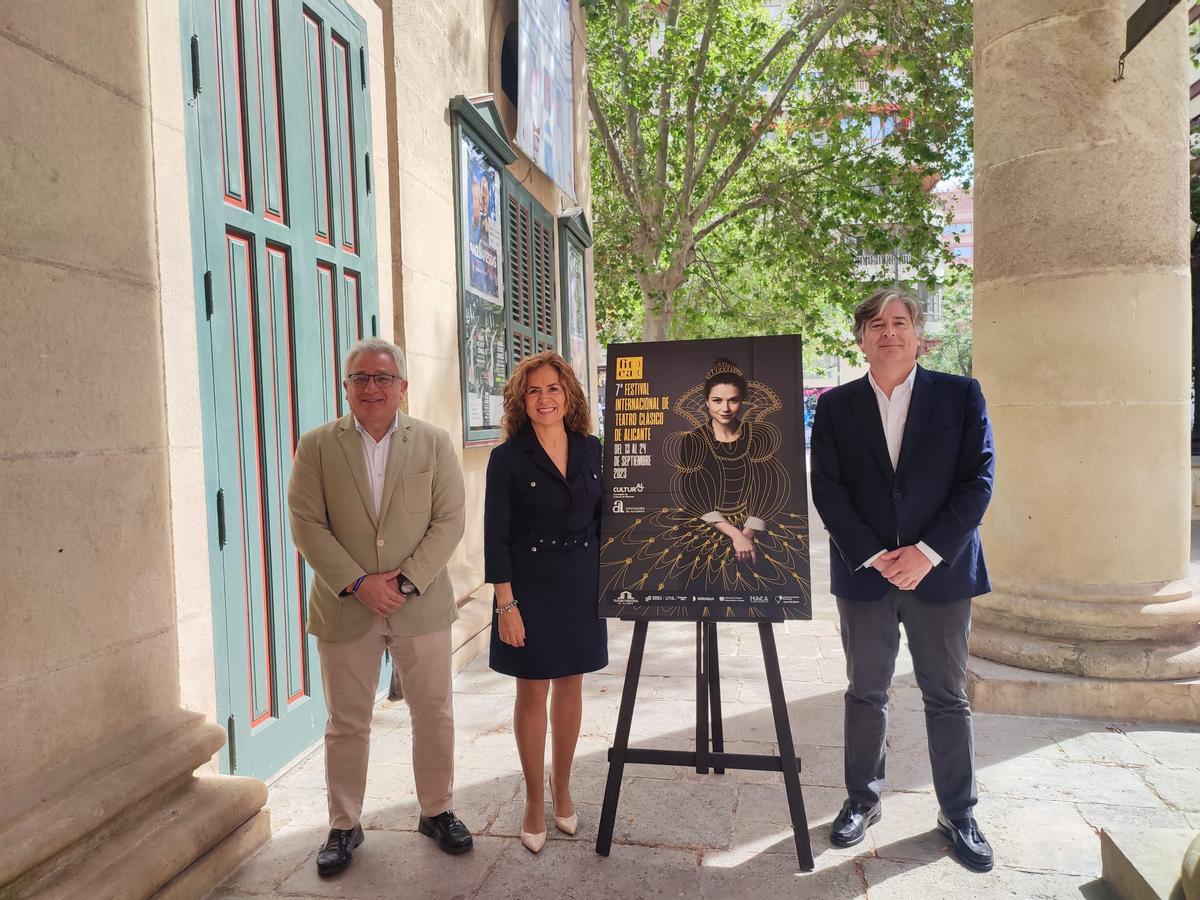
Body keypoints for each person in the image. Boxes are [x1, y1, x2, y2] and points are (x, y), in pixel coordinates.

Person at [809, 288, 996, 872]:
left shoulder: (961, 395)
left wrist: (927, 553)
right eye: (875, 323)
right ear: (861, 338)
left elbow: (978, 482)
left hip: (940, 575)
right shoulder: (837, 406)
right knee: (866, 692)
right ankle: (862, 801)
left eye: (899, 322)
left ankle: (959, 813)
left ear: (919, 334)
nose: (888, 332)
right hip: (865, 576)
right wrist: (872, 553)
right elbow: (828, 489)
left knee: (947, 695)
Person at [288, 337, 473, 876]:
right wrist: (357, 583)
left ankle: (436, 811)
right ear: (346, 387)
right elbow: (306, 524)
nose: (372, 387)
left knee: (433, 713)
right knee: (347, 721)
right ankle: (344, 824)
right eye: (361, 378)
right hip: (346, 606)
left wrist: (408, 581)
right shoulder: (318, 445)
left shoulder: (435, 443)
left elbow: (450, 520)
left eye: (383, 378)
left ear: (402, 387)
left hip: (421, 605)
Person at [483, 350, 607, 854]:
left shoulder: (592, 449)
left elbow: (607, 522)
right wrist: (505, 605)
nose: (544, 398)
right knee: (532, 692)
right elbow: (497, 536)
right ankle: (534, 799)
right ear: (521, 399)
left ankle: (565, 787)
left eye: (553, 388)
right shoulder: (507, 458)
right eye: (533, 390)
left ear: (569, 394)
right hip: (528, 587)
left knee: (571, 689)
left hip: (580, 584)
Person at [673, 359, 787, 568]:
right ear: (706, 402)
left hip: (754, 526)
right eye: (717, 400)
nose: (725, 408)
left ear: (742, 401)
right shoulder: (693, 440)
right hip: (703, 529)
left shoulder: (759, 435)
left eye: (733, 400)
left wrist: (747, 533)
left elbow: (767, 487)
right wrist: (736, 535)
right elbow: (695, 494)